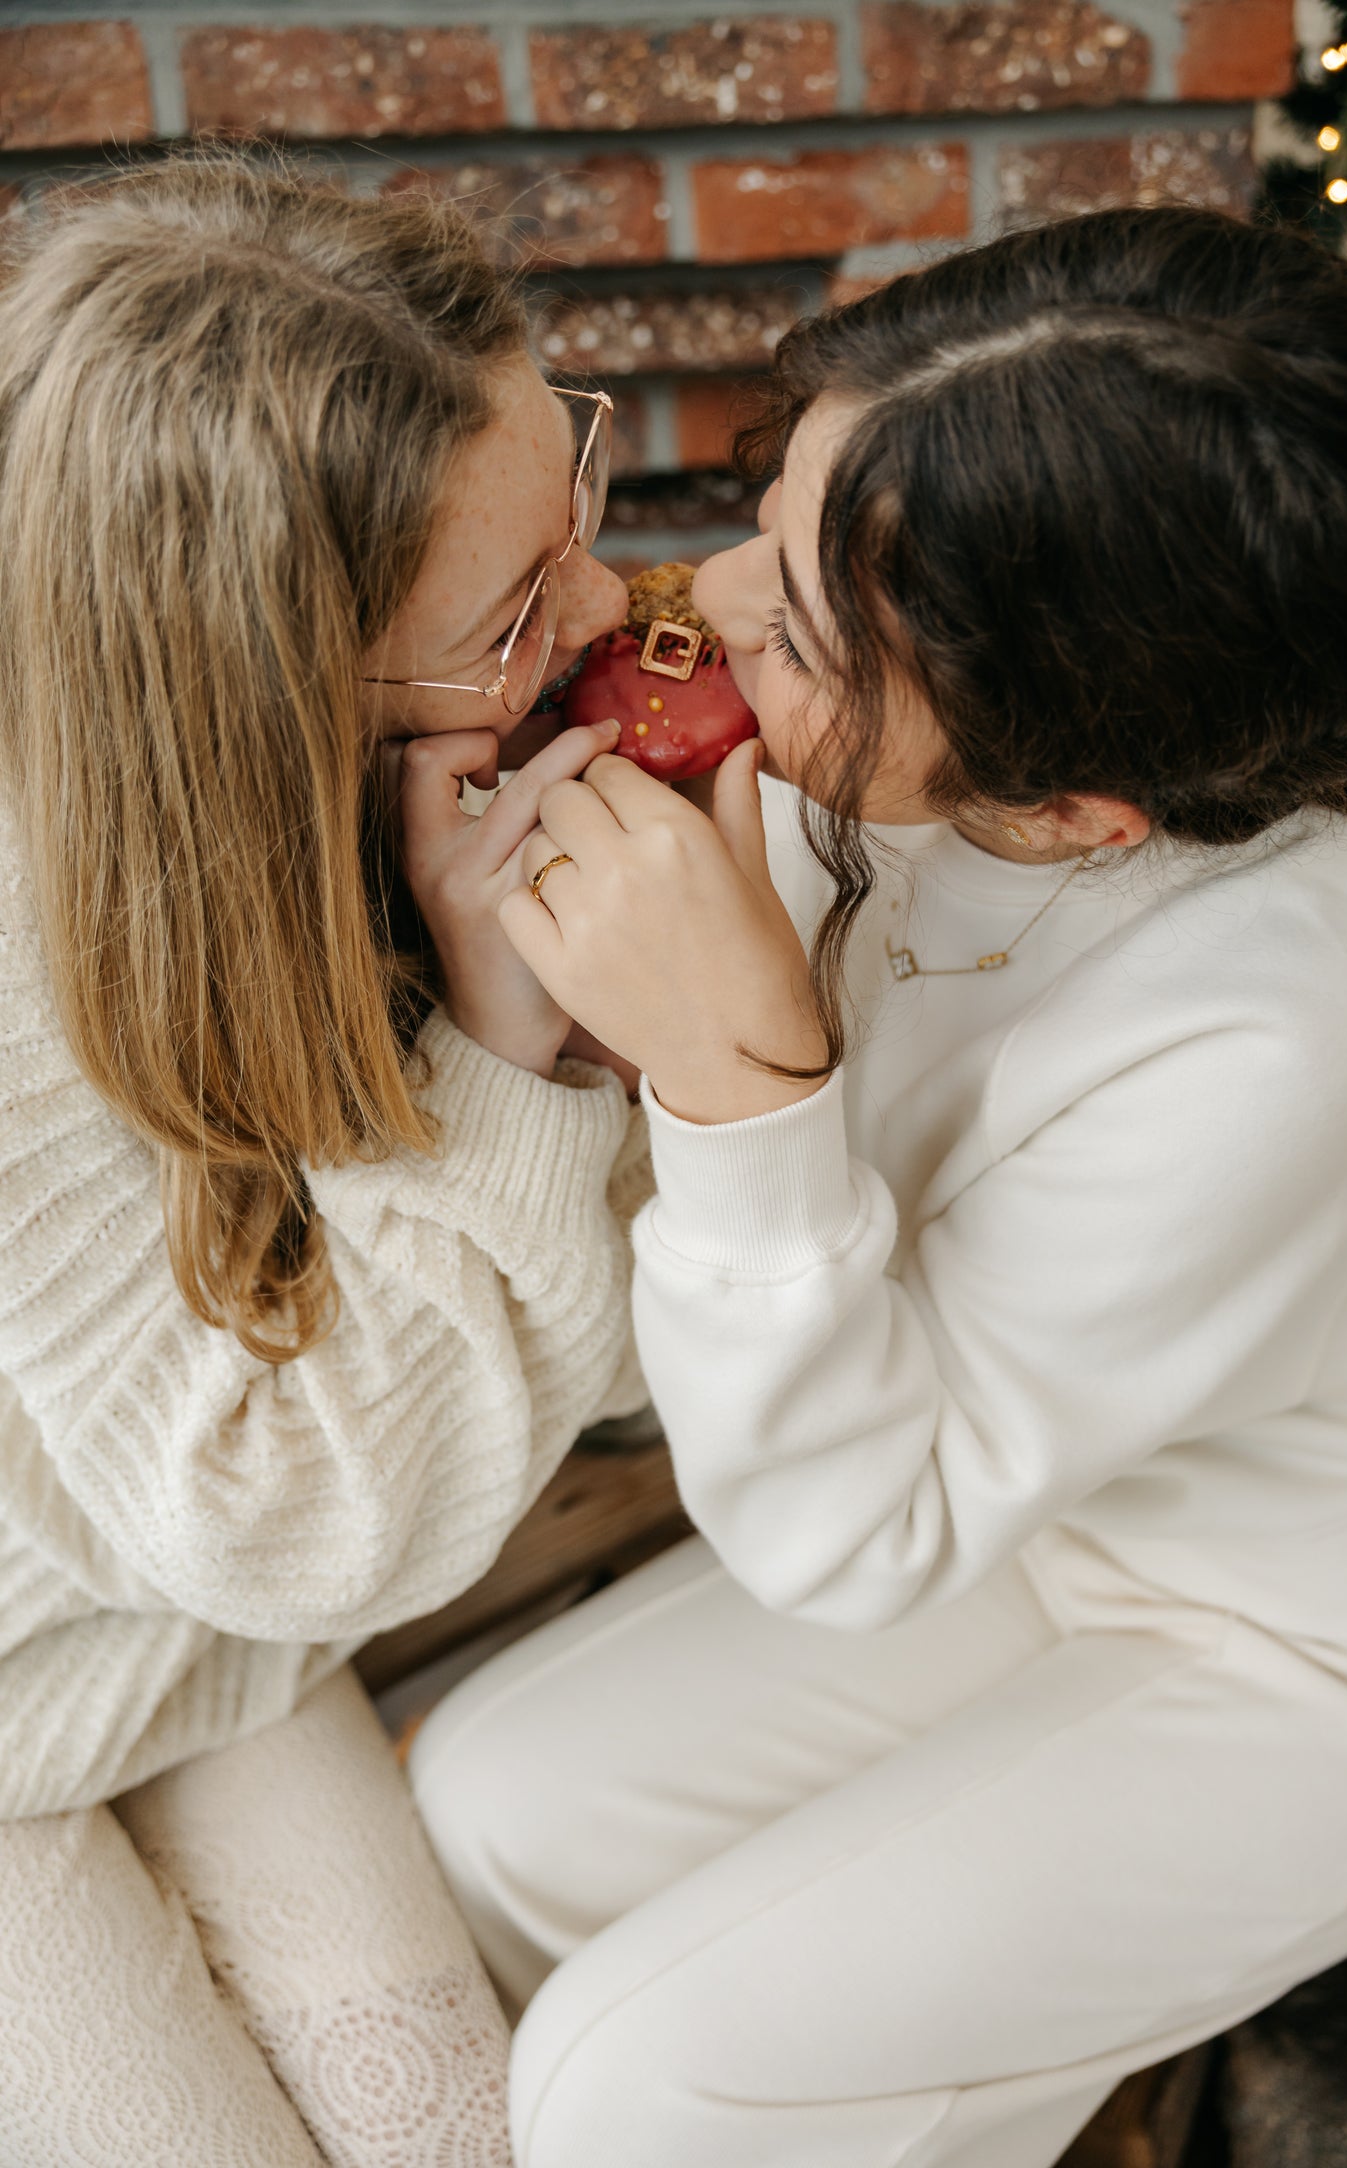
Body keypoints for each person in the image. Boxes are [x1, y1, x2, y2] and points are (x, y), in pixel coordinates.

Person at [409, 207, 1347, 2168]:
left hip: (1312, 1651)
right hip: (1034, 1514)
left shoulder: (1297, 1021)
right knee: (486, 1803)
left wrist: (733, 1077)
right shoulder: (880, 764)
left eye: (796, 629)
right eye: (766, 524)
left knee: (633, 2088)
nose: (703, 602)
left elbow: (850, 1532)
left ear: (1076, 808)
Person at [0, 151, 644, 2167]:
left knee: (452, 2125)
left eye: (582, 498)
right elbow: (284, 1510)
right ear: (264, 674)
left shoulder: (381, 783)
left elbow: (587, 1367)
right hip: (130, 1611)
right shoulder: (34, 942)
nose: (614, 608)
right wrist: (507, 1060)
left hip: (192, 1631)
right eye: (521, 608)